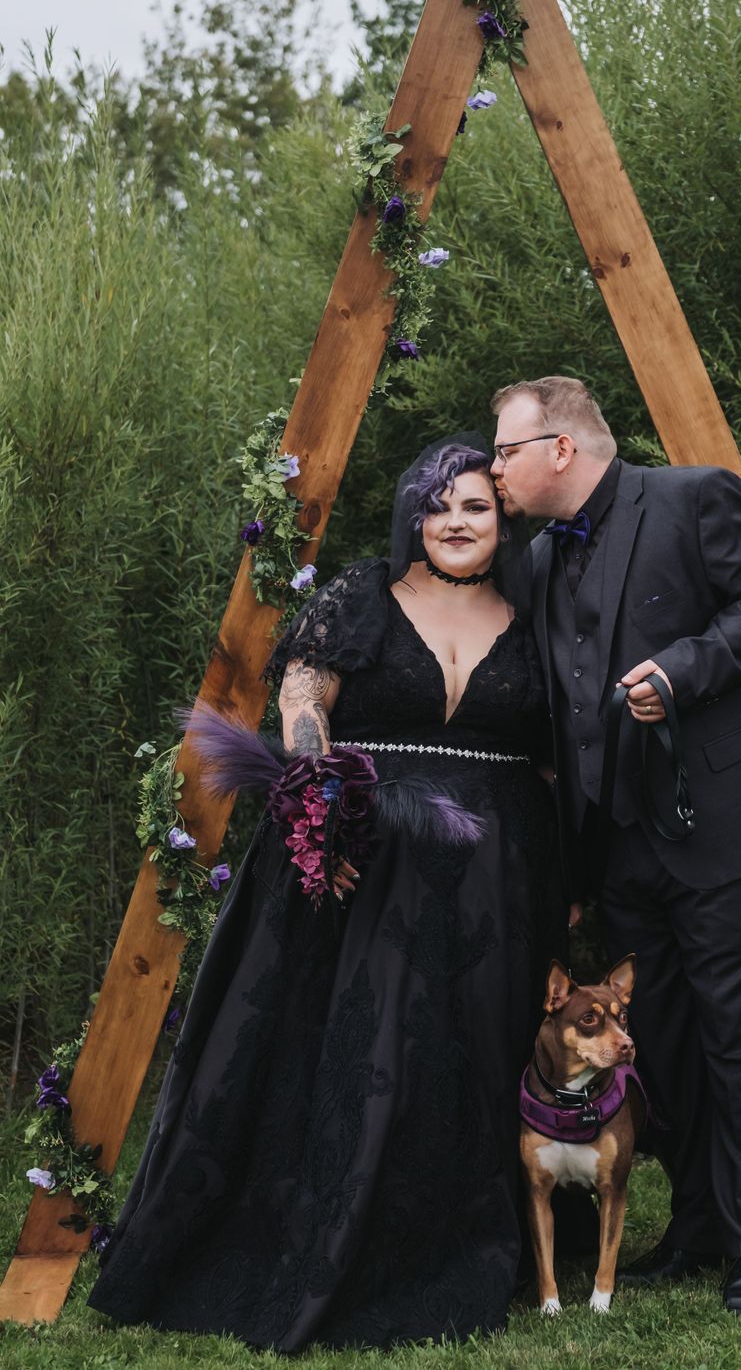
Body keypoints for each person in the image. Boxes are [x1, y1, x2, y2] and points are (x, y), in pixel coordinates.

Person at [88, 438, 564, 1352]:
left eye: (476, 506)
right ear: (411, 517)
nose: (457, 523)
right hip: (367, 857)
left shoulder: (536, 613)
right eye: (439, 506)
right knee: (371, 1042)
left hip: (496, 881)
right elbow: (306, 699)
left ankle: (457, 1239)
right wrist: (323, 809)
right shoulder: (363, 596)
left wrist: (564, 876)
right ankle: (335, 1236)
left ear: (503, 520)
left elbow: (551, 754)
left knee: (472, 1049)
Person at [490, 376, 741, 1314]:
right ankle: (696, 1226)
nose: (496, 469)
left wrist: (687, 667)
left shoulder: (693, 499)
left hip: (732, 826)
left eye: (506, 451)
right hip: (621, 848)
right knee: (662, 1053)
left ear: (562, 449)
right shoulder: (533, 563)